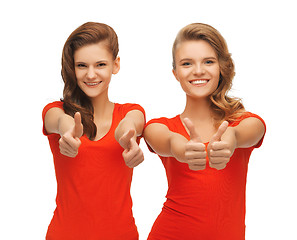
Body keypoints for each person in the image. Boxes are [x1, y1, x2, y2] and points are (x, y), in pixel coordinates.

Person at [144, 23, 266, 240]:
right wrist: (181, 149)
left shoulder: (242, 123)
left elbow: (255, 129)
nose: (198, 70)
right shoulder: (159, 126)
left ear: (222, 66)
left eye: (208, 61)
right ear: (175, 73)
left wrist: (232, 138)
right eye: (187, 63)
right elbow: (165, 140)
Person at [42, 22, 145, 240]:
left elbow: (129, 125)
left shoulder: (131, 112)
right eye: (81, 65)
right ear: (72, 67)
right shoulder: (56, 111)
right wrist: (68, 130)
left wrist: (127, 136)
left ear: (115, 65)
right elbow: (59, 121)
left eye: (100, 64)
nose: (91, 74)